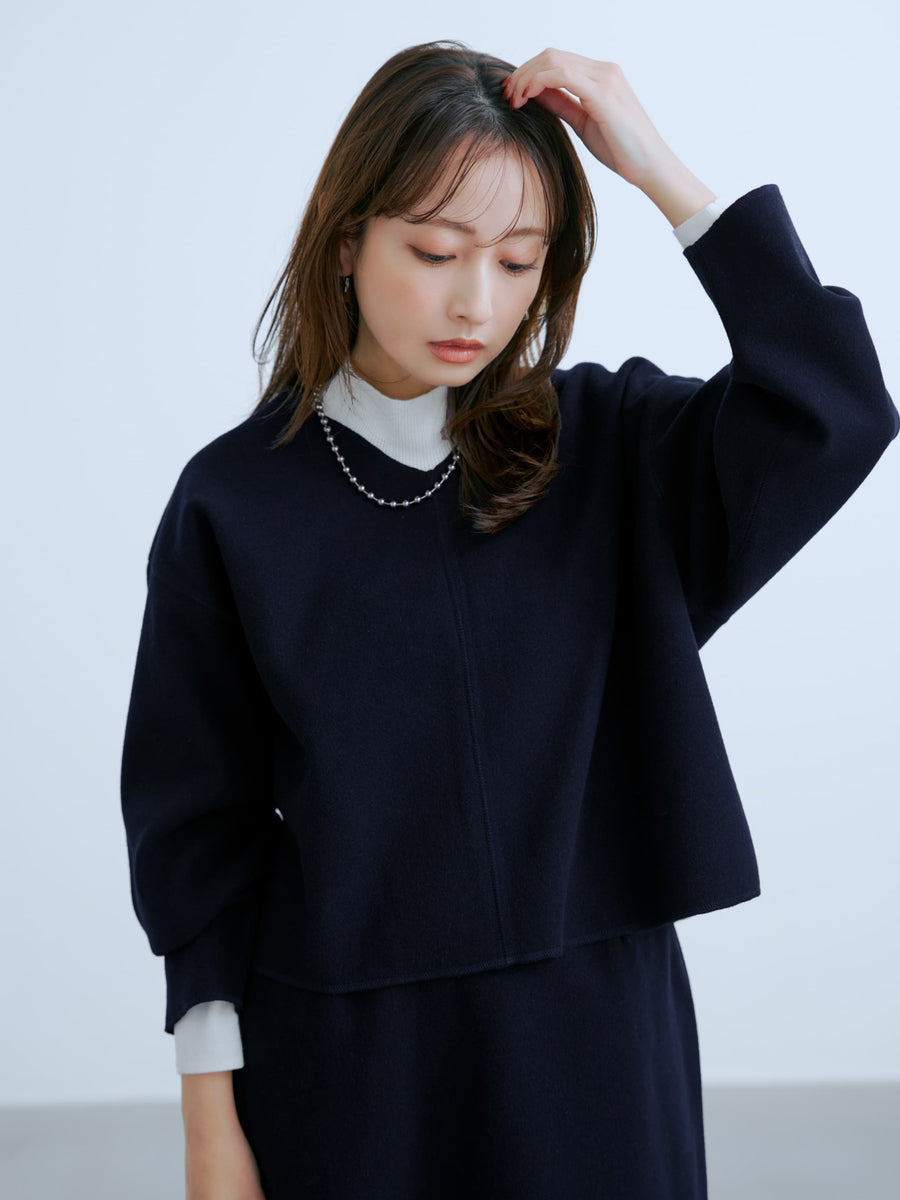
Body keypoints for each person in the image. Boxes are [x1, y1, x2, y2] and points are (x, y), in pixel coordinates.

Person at [119, 39, 898, 1200]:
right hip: (349, 1061)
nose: (475, 302)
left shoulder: (610, 450)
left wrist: (658, 168)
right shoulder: (234, 504)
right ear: (347, 241)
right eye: (435, 251)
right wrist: (209, 1123)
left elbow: (833, 407)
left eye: (519, 260)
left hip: (596, 1046)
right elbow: (196, 833)